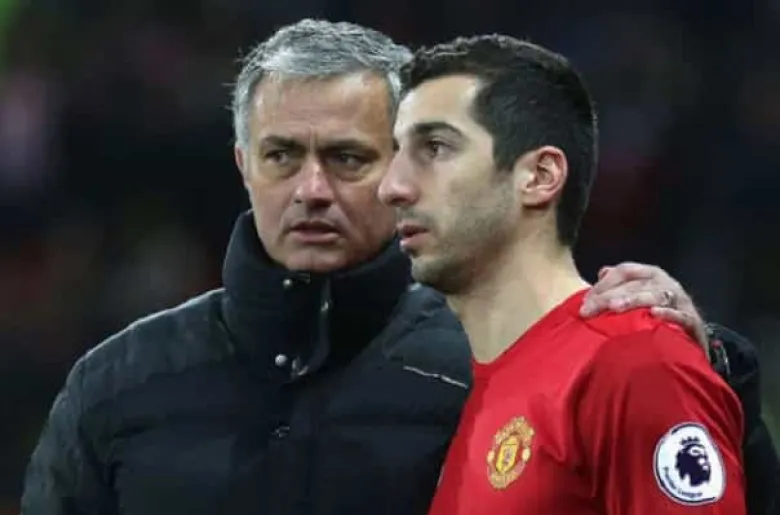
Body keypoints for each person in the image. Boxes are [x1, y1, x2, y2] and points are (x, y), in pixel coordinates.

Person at [21, 20, 777, 515]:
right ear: (243, 164)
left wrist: (713, 371)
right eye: (282, 156)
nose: (312, 190)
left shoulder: (500, 365)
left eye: (348, 158)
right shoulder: (117, 382)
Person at [377, 33, 777, 514]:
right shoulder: (461, 391)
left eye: (436, 148)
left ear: (540, 176)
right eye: (396, 152)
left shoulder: (634, 362)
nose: (392, 187)